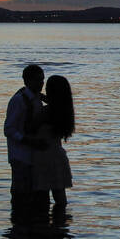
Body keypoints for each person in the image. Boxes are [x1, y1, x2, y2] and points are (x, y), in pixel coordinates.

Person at [31, 74, 75, 210]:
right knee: (60, 197)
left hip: (44, 157)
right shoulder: (64, 111)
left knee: (41, 198)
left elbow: (30, 128)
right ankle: (61, 226)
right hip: (57, 155)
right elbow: (56, 104)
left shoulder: (45, 112)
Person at [4, 64, 45, 208]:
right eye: (38, 80)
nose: (41, 84)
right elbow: (8, 129)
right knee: (20, 194)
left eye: (42, 80)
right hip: (20, 156)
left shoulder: (36, 99)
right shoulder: (18, 100)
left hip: (32, 156)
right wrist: (26, 140)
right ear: (27, 81)